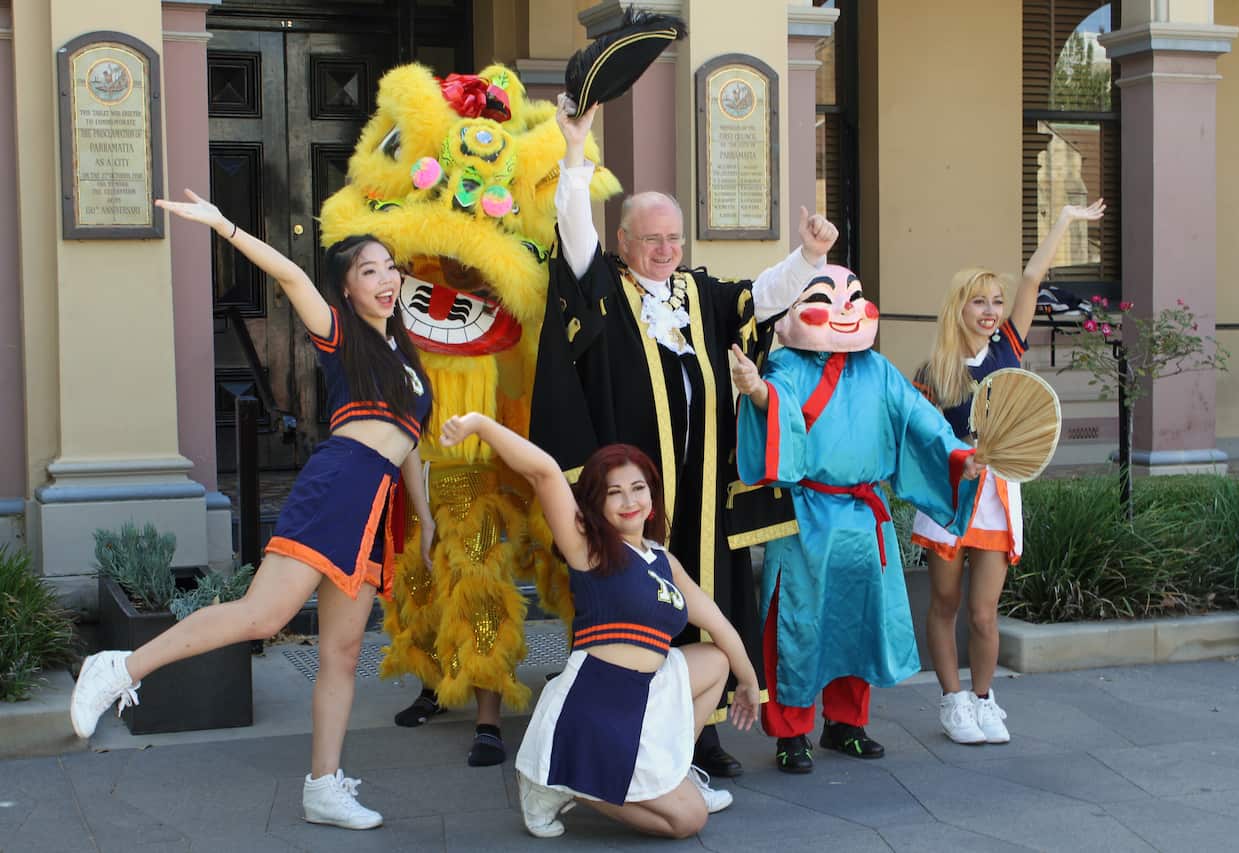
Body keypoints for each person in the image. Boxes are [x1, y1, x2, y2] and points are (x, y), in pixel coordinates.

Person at [69, 190, 434, 830]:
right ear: (346, 291)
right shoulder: (341, 334)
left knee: (343, 654)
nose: (384, 278)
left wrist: (425, 519)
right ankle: (120, 667)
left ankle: (323, 784)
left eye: (388, 267)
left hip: (378, 504)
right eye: (367, 270)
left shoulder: (409, 360)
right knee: (263, 615)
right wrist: (224, 226)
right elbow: (290, 275)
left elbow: (408, 449)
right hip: (340, 483)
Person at [530, 98, 838, 777]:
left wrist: (809, 255)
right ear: (624, 243)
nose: (665, 250)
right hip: (633, 495)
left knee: (707, 598)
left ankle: (701, 735)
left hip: (698, 486)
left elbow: (760, 297)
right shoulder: (604, 290)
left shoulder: (696, 294)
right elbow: (573, 234)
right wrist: (576, 156)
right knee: (635, 607)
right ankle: (621, 730)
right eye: (651, 240)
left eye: (674, 239)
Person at [438, 412, 759, 839]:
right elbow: (544, 472)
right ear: (598, 503)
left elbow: (719, 624)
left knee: (718, 660)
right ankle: (561, 782)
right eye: (615, 492)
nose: (630, 501)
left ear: (652, 495)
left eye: (638, 488)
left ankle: (676, 772)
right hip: (597, 706)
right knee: (688, 821)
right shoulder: (587, 548)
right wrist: (480, 423)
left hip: (644, 696)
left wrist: (749, 681)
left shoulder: (663, 560)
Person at [730, 265, 981, 773]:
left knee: (858, 622)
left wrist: (959, 458)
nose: (846, 309)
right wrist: (757, 391)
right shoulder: (787, 366)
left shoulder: (879, 369)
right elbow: (776, 403)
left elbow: (920, 418)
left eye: (855, 297)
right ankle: (791, 733)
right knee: (795, 627)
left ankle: (846, 723)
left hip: (866, 518)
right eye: (827, 298)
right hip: (804, 517)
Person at [911, 199, 1106, 745]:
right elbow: (919, 440)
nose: (991, 310)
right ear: (959, 308)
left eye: (996, 302)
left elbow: (1032, 275)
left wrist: (1065, 221)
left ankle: (983, 698)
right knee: (944, 604)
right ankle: (952, 701)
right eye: (979, 301)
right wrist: (956, 457)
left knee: (984, 613)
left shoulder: (1009, 348)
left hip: (997, 496)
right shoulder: (932, 372)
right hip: (949, 496)